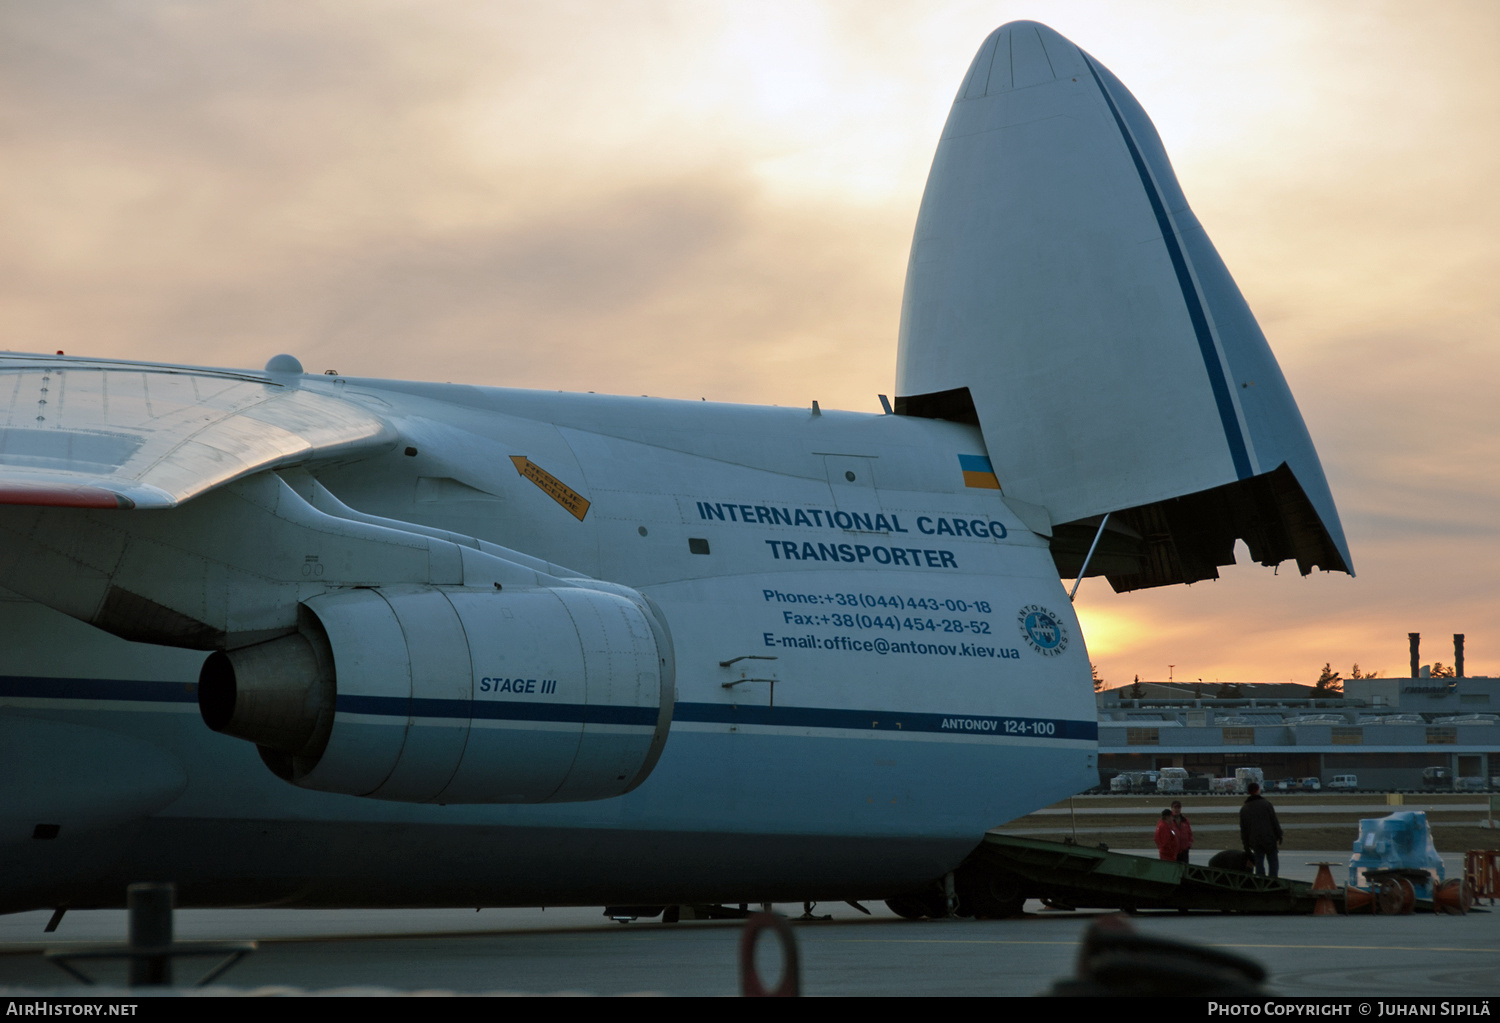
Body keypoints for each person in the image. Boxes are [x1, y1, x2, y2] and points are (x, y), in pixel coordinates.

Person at [1238, 781, 1283, 877]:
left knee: (1259, 864)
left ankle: (1261, 882)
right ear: (1258, 790)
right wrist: (1279, 835)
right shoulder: (1266, 804)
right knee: (1273, 862)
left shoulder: (1244, 809)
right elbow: (1274, 821)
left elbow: (1244, 830)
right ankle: (1273, 881)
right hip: (1269, 839)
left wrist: (1246, 845)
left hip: (1255, 841)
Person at [1171, 800, 1193, 864]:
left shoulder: (1185, 820)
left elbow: (1189, 833)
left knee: (1184, 869)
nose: (1177, 810)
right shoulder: (1169, 821)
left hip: (1184, 850)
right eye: (1175, 808)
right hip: (1174, 850)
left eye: (1178, 808)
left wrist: (1189, 844)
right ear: (1172, 808)